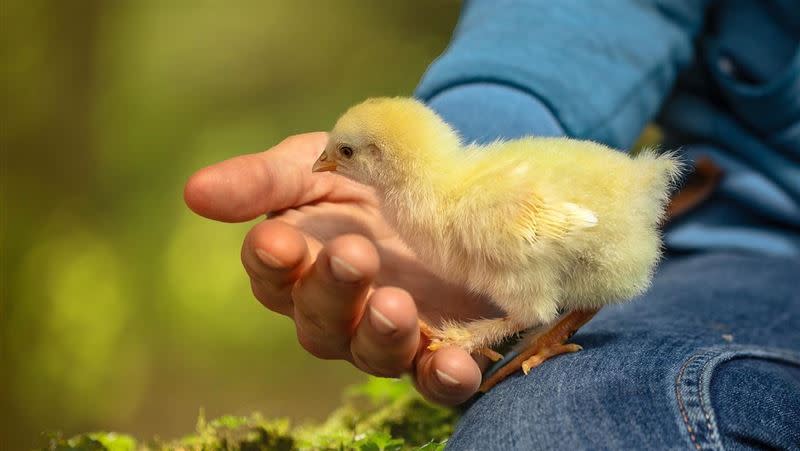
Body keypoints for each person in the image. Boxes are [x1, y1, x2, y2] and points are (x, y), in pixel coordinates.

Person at [185, 1, 800, 449]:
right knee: (554, 425)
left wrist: (474, 333)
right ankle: (547, 337)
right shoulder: (441, 192)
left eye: (345, 154)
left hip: (606, 226)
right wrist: (488, 109)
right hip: (748, 239)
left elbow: (562, 219)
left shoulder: (470, 201)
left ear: (387, 160)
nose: (331, 163)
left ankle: (532, 334)